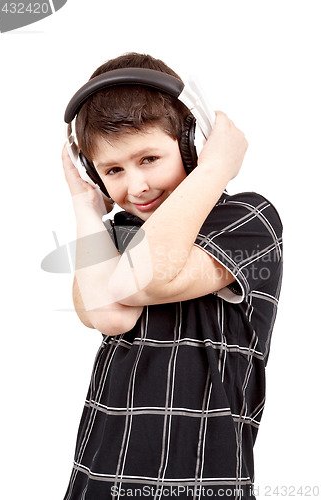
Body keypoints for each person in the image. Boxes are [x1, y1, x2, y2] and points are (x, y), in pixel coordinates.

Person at [61, 53, 283, 500]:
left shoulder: (246, 217)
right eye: (113, 171)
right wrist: (86, 206)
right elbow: (109, 314)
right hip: (102, 475)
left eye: (149, 158)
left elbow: (139, 281)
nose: (136, 186)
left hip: (199, 479)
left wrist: (215, 167)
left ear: (191, 145)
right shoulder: (121, 233)